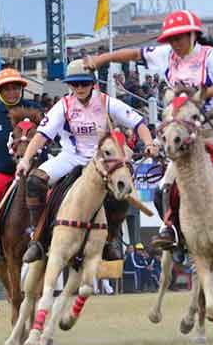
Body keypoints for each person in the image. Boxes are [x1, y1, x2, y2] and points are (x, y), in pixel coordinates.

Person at [84, 9, 213, 250]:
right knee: (164, 185)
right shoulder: (167, 54)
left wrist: (200, 94)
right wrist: (102, 59)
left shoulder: (212, 57)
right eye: (171, 39)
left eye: (179, 38)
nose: (175, 43)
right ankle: (171, 229)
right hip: (186, 128)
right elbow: (135, 53)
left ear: (192, 35)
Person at [17, 60, 156, 262]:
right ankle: (38, 239)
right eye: (75, 84)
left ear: (92, 83)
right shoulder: (63, 105)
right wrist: (26, 159)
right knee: (34, 181)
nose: (80, 88)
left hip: (102, 160)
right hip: (71, 157)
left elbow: (137, 122)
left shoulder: (106, 101)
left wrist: (149, 143)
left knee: (123, 187)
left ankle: (111, 239)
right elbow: (42, 135)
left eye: (84, 83)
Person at [0, 68, 41, 259]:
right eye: (7, 89)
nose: (12, 92)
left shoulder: (34, 109)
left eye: (15, 88)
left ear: (22, 88)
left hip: (34, 173)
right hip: (6, 173)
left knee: (57, 198)